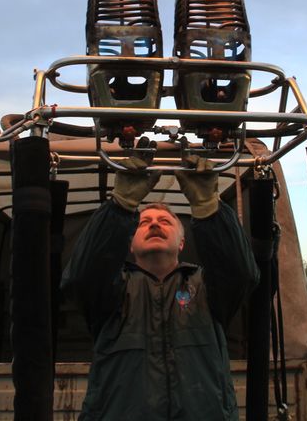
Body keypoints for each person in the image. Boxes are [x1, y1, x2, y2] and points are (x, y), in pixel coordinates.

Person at [61, 154, 260, 420]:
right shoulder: (112, 291)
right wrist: (120, 206)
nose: (154, 223)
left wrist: (207, 206)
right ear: (130, 244)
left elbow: (242, 274)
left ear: (181, 243)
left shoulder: (206, 288)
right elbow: (81, 276)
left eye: (165, 222)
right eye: (144, 223)